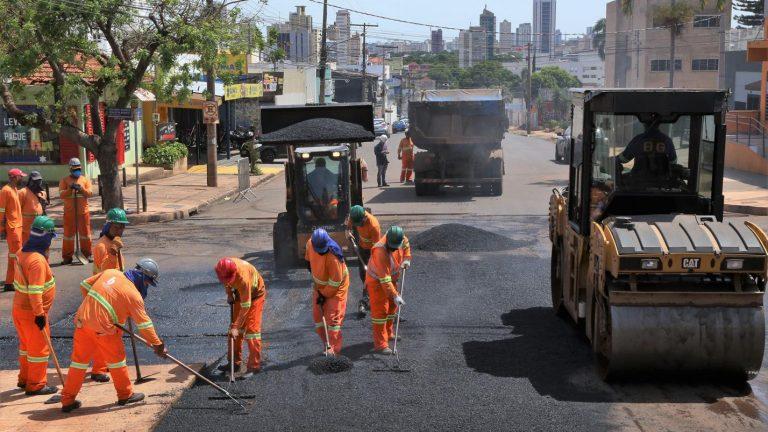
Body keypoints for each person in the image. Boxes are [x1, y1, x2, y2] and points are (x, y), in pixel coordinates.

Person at [60, 258, 165, 413]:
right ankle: (125, 395)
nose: (147, 286)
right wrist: (157, 345)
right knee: (117, 360)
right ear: (143, 277)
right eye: (148, 283)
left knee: (78, 363)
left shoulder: (111, 272)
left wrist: (94, 308)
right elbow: (144, 325)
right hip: (104, 329)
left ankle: (67, 400)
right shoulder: (133, 295)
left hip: (83, 322)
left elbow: (84, 285)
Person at [12, 216, 57, 396]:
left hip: (19, 310)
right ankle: (36, 385)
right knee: (38, 350)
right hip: (33, 313)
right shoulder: (37, 261)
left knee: (26, 347)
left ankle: (24, 379)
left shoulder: (22, 252)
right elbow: (35, 291)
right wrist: (39, 314)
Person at [84, 208, 130, 383]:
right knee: (104, 333)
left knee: (115, 332)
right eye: (117, 227)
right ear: (109, 225)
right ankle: (98, 369)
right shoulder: (103, 246)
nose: (120, 231)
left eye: (122, 227)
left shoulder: (113, 243)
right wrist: (112, 252)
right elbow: (105, 271)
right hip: (104, 294)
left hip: (114, 293)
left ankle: (109, 362)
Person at [214, 257, 266, 378]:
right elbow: (226, 281)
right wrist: (229, 294)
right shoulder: (224, 268)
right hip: (239, 294)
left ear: (234, 273)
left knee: (252, 332)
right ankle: (234, 363)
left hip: (255, 296)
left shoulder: (243, 278)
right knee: (233, 331)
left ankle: (254, 366)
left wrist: (237, 326)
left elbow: (246, 306)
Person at [365, 226, 411, 354]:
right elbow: (384, 280)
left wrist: (406, 259)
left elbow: (406, 244)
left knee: (391, 309)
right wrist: (395, 295)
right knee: (380, 313)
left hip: (391, 280)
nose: (394, 249)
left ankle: (389, 334)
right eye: (392, 246)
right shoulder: (380, 251)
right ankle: (381, 345)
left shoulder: (400, 239)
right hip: (377, 283)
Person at [305, 228, 350, 355]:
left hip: (337, 288)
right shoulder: (310, 243)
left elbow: (335, 282)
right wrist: (319, 290)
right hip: (320, 286)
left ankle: (334, 349)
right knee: (318, 317)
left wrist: (323, 295)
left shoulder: (333, 256)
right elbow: (308, 261)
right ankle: (327, 344)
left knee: (333, 319)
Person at [346, 205, 381, 314]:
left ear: (364, 217)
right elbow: (349, 224)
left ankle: (368, 299)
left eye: (359, 224)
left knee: (370, 275)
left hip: (373, 250)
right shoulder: (354, 217)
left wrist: (372, 263)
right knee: (362, 274)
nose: (358, 226)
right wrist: (347, 231)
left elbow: (377, 249)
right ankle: (369, 294)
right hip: (362, 248)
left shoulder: (373, 225)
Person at [60, 158, 93, 264]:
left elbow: (90, 193)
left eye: (78, 169)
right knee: (68, 236)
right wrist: (70, 189)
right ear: (70, 169)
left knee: (85, 235)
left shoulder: (85, 180)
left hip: (83, 213)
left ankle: (87, 254)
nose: (77, 171)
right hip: (70, 213)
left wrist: (81, 189)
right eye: (74, 169)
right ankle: (67, 257)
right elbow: (61, 194)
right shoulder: (64, 180)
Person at [1, 168, 25, 292]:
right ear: (14, 178)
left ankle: (11, 281)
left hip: (17, 226)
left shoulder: (14, 189)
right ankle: (11, 282)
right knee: (15, 255)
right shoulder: (5, 191)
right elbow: (1, 211)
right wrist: (1, 228)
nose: (22, 178)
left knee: (16, 255)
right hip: (12, 227)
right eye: (20, 176)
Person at [19, 171, 48, 245]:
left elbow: (43, 207)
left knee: (38, 245)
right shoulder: (22, 192)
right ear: (30, 181)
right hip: (26, 226)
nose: (37, 183)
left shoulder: (42, 193)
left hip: (39, 224)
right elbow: (17, 209)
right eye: (35, 181)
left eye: (39, 181)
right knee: (27, 245)